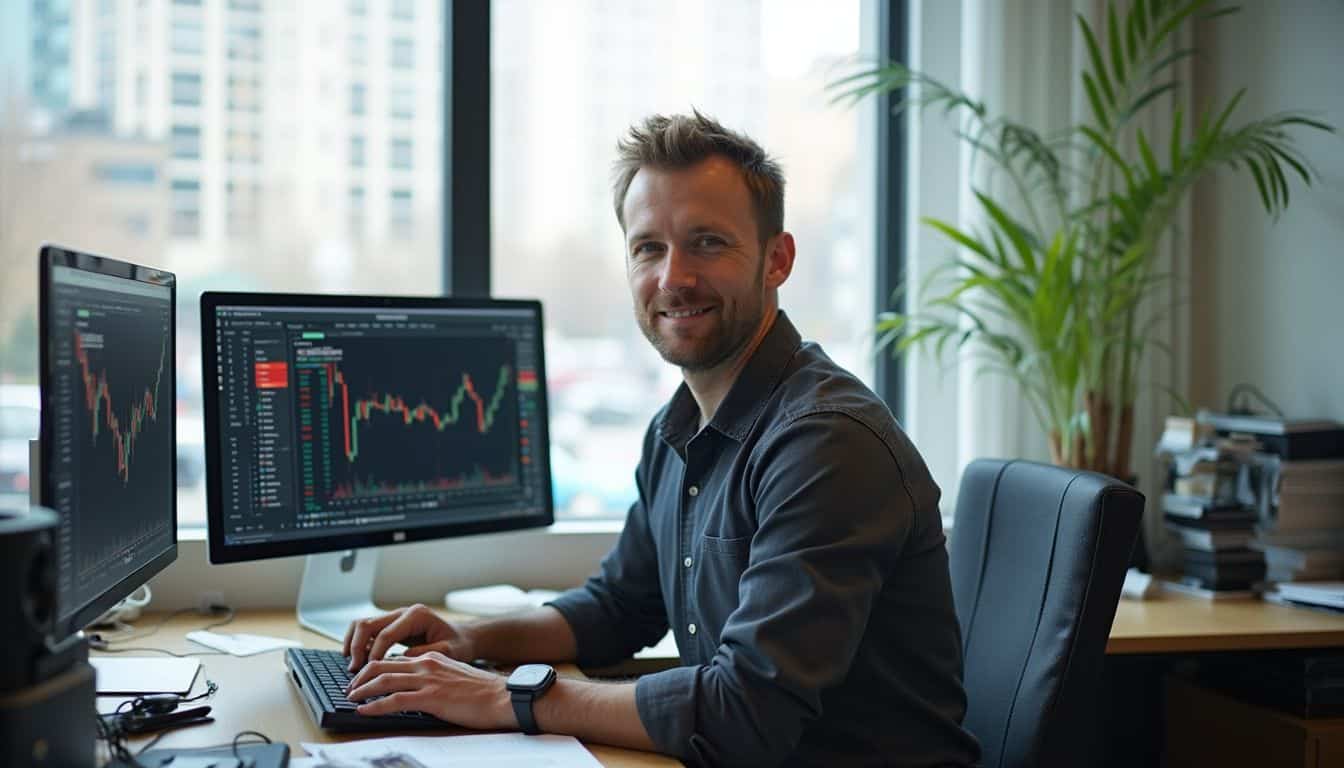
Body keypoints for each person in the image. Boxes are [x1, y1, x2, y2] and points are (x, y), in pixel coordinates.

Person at [343, 111, 981, 767]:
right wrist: (471, 641)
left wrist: (507, 697)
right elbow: (619, 607)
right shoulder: (677, 428)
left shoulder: (824, 442)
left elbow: (746, 710)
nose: (673, 278)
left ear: (777, 260)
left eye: (707, 242)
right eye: (649, 247)